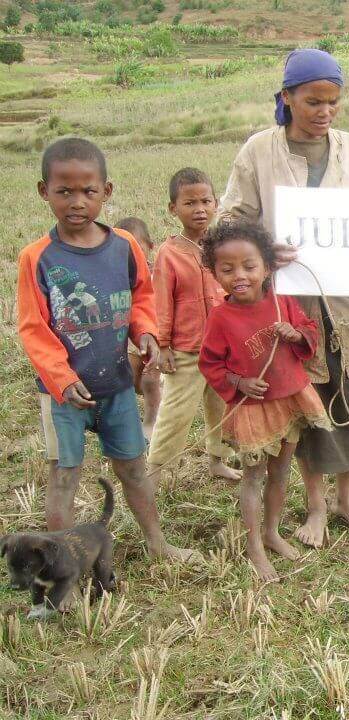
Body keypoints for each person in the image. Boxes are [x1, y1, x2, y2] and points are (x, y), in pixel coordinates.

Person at [219, 48, 349, 546]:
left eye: (333, 103)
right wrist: (266, 246)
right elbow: (230, 219)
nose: (324, 112)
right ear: (287, 98)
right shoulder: (259, 152)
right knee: (310, 399)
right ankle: (315, 508)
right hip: (293, 306)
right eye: (314, 101)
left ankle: (346, 501)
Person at [17, 137, 196, 564]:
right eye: (64, 191)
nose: (76, 201)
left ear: (106, 192)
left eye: (88, 191)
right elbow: (32, 328)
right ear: (45, 192)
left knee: (133, 468)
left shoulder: (124, 246)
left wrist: (146, 334)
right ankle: (61, 570)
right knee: (64, 477)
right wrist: (63, 379)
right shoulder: (36, 258)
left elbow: (140, 299)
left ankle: (158, 544)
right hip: (63, 395)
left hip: (116, 385)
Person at [198, 220, 331, 582]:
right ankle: (254, 545)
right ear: (215, 273)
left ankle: (272, 532)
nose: (238, 275)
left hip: (289, 399)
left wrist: (297, 333)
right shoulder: (221, 317)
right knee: (253, 477)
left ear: (268, 267)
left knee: (282, 471)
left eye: (249, 266)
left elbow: (310, 330)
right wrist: (239, 381)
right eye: (226, 269)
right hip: (254, 410)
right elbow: (209, 363)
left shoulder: (281, 300)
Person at [145, 168, 239, 484]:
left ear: (216, 204)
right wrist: (163, 345)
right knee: (175, 413)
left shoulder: (221, 247)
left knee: (222, 408)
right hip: (186, 351)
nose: (199, 209)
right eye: (189, 203)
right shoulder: (169, 254)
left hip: (222, 349)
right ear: (173, 208)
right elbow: (162, 302)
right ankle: (157, 472)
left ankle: (218, 461)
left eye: (205, 201)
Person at [115, 216, 162, 442]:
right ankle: (127, 424)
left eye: (137, 247)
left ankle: (152, 420)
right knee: (124, 378)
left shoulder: (158, 275)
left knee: (151, 379)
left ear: (150, 247)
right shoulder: (115, 279)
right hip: (131, 343)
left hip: (156, 341)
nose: (131, 254)